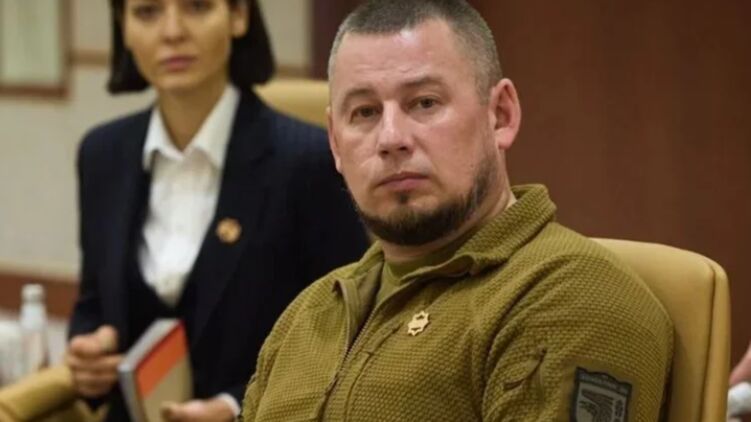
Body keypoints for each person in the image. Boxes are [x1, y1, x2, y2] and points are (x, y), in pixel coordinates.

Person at [241, 1, 674, 420]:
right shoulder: (310, 311)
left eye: (424, 103)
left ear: (500, 115)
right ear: (336, 144)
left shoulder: (572, 296)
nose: (391, 138)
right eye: (365, 112)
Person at [65, 0, 368, 421]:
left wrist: (235, 407)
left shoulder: (306, 160)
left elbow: (347, 331)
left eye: (197, 6)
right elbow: (94, 303)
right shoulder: (102, 154)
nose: (172, 31)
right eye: (147, 12)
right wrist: (87, 351)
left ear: (238, 16)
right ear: (124, 28)